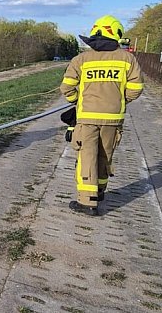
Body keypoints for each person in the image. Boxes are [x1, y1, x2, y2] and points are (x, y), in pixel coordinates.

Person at [60, 15, 143, 216]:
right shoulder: (127, 59)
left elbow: (67, 88)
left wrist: (77, 101)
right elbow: (135, 89)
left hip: (87, 118)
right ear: (116, 35)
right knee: (105, 155)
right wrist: (118, 100)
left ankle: (87, 202)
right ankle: (100, 191)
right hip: (113, 118)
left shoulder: (81, 59)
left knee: (87, 157)